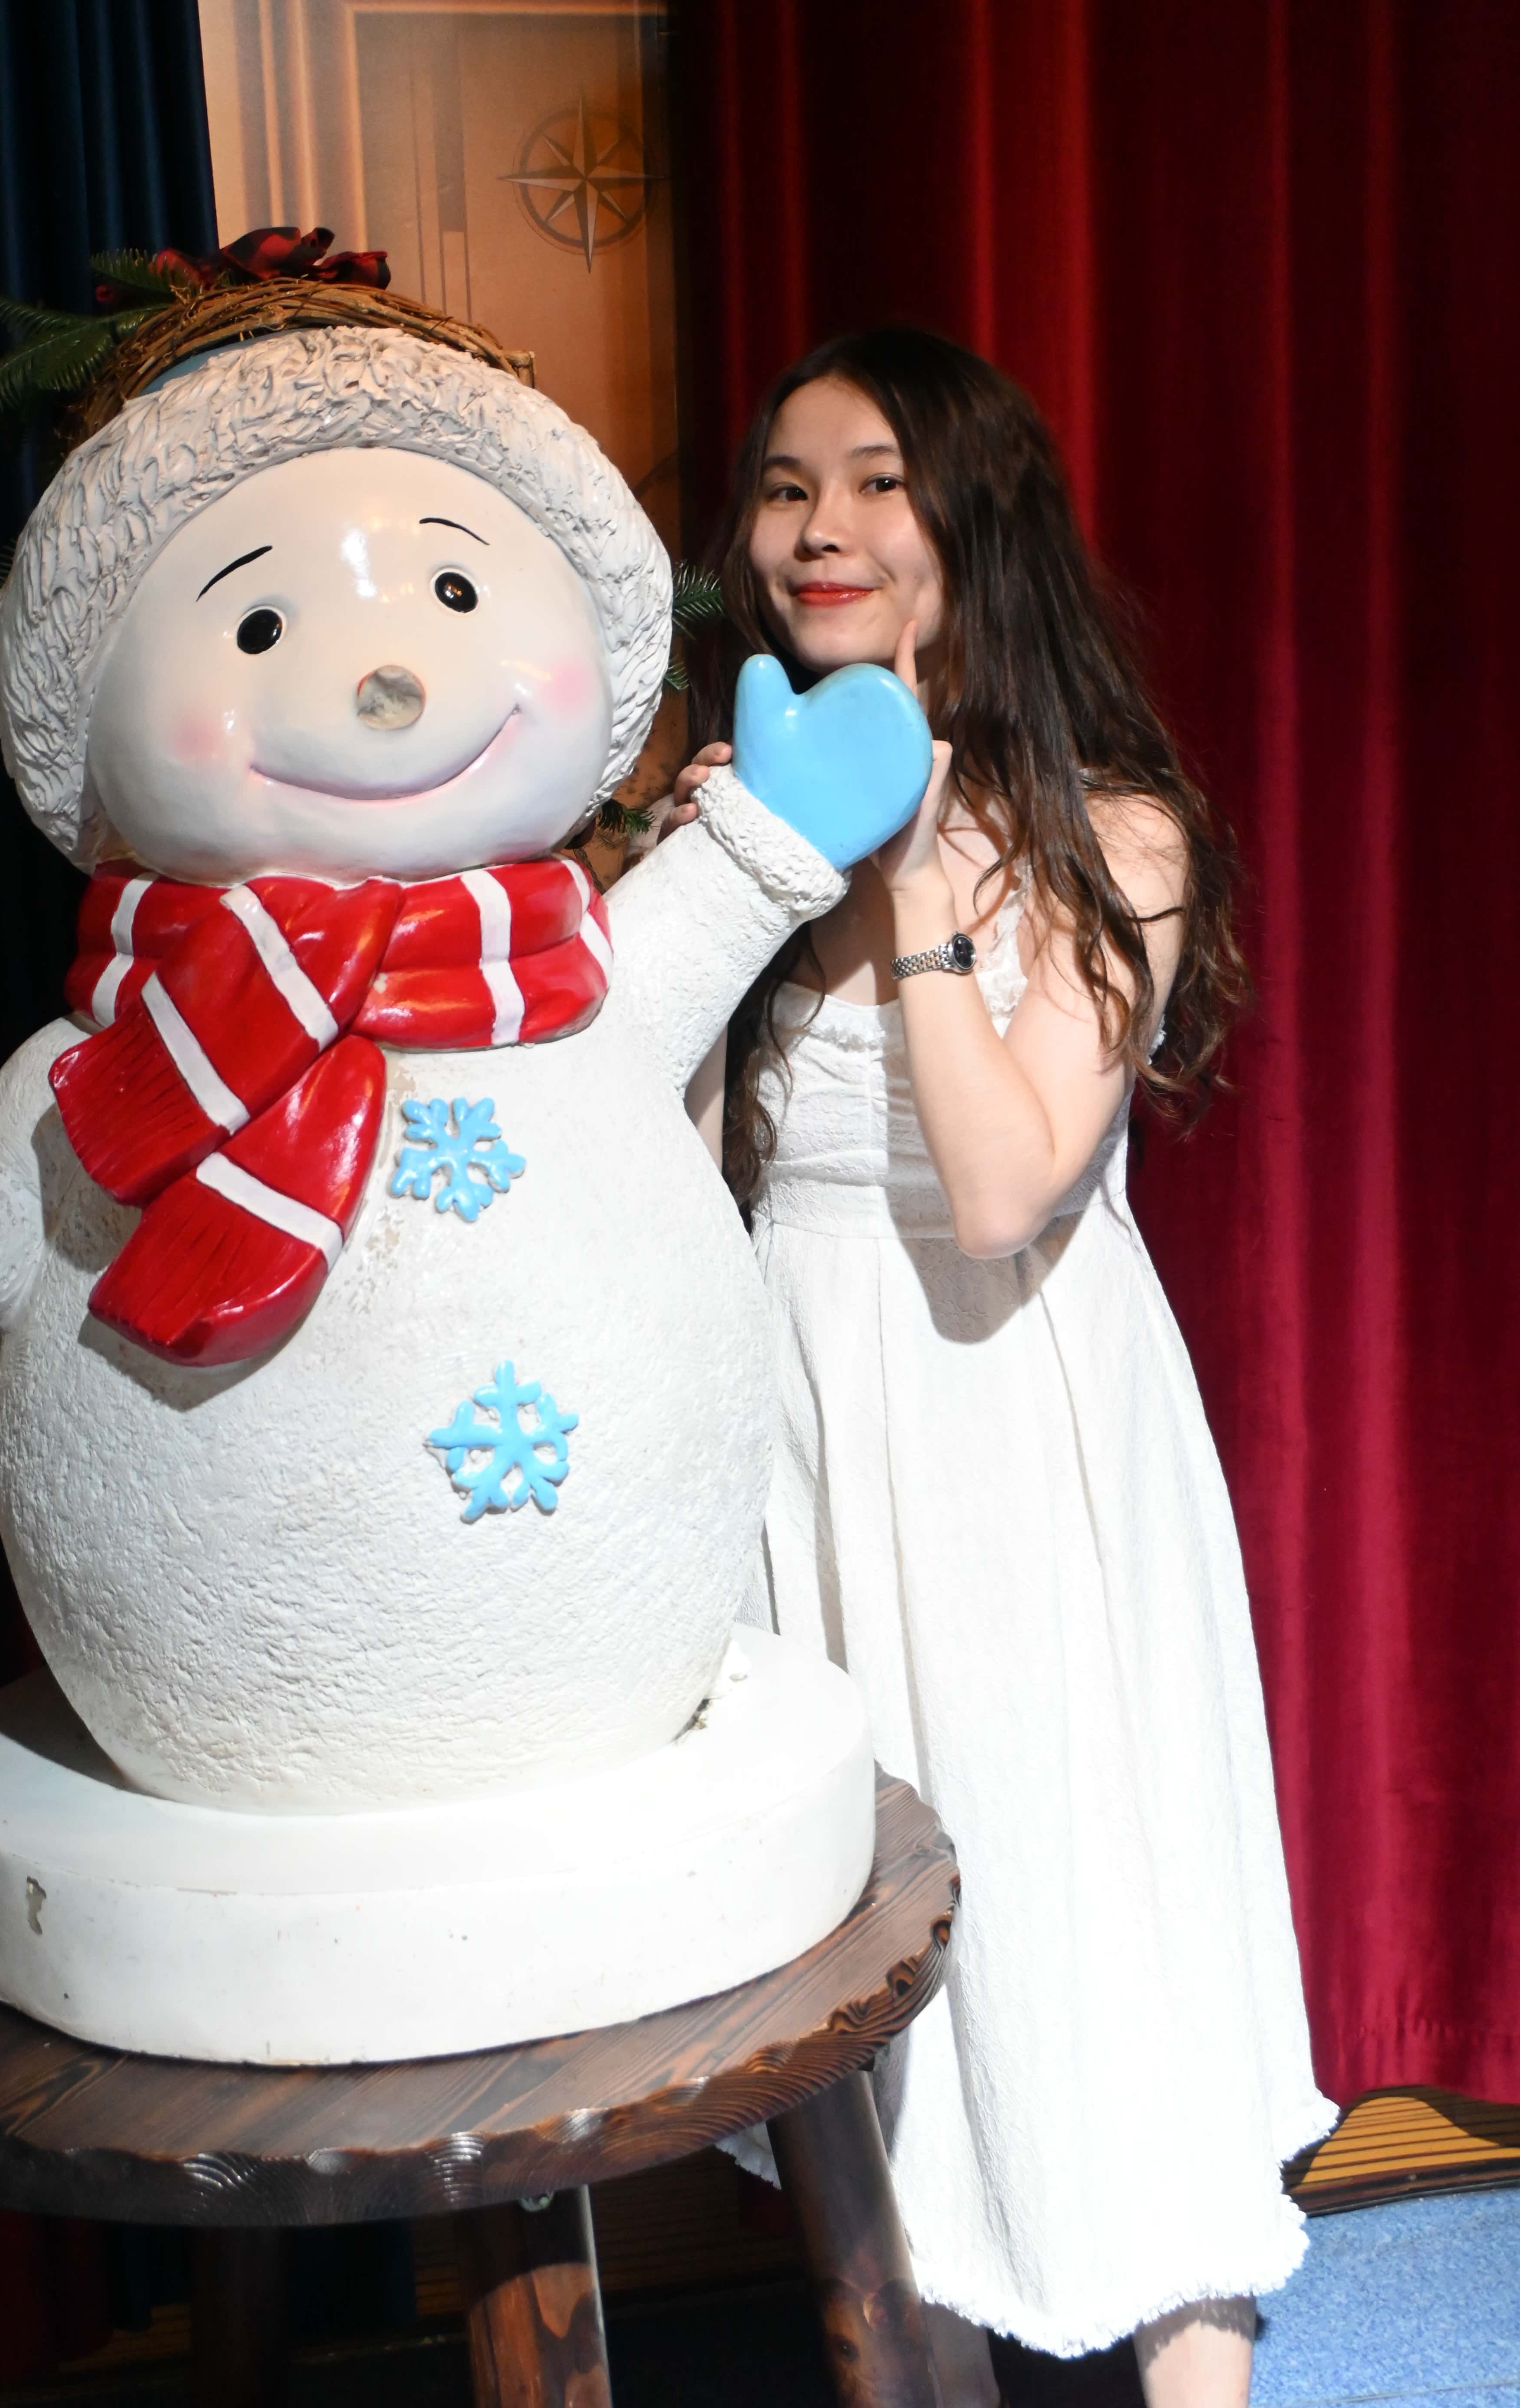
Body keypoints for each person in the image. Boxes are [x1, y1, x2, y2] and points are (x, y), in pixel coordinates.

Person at [661, 329, 1333, 2407]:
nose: (821, 528)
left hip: (1016, 1428)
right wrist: (704, 907)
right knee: (874, 1942)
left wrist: (920, 901)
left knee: (1087, 1893)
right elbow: (673, 1187)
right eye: (786, 486)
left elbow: (999, 1191)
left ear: (972, 519)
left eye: (876, 480)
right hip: (804, 1422)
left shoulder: (1111, 837)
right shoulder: (735, 829)